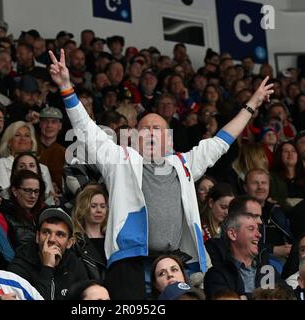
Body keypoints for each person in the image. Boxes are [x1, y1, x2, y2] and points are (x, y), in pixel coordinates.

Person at [48, 48, 274, 299]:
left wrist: (252, 105)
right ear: (134, 137)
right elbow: (86, 129)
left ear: (168, 138)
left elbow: (222, 140)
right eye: (146, 128)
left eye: (158, 128)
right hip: (129, 262)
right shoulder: (120, 160)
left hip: (172, 262)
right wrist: (66, 87)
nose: (152, 132)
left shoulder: (184, 163)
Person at [7, 207, 89, 300]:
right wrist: (47, 268)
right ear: (37, 237)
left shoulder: (75, 264)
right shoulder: (20, 265)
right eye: (46, 232)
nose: (52, 239)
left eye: (60, 234)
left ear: (69, 243)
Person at [203, 209, 282, 299]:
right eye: (251, 229)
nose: (259, 235)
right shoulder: (217, 274)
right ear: (233, 234)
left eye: (258, 229)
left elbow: (287, 296)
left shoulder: (267, 271)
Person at [0, 121, 54, 204]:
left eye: (27, 136)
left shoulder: (43, 168)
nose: (23, 139)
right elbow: (5, 195)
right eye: (17, 135)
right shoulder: (2, 163)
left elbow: (50, 198)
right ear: (9, 142)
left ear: (32, 142)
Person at [0, 169, 45, 250]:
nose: (33, 196)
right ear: (15, 191)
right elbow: (4, 252)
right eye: (28, 190)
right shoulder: (2, 216)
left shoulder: (44, 214)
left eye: (36, 191)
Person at [72, 187, 108, 281]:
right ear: (83, 208)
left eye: (103, 206)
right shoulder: (75, 243)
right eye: (93, 206)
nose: (99, 210)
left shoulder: (112, 239)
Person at [270, 141, 305, 214]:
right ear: (279, 155)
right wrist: (290, 202)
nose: (290, 153)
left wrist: (287, 201)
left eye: (293, 151)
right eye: (286, 151)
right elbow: (271, 200)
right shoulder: (272, 177)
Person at [36, 107, 66, 192]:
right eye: (45, 121)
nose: (49, 125)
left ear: (60, 126)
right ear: (40, 124)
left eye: (54, 122)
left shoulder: (64, 152)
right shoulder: (30, 146)